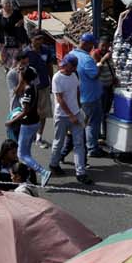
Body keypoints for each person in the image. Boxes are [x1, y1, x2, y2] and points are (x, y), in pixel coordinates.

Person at [49, 54, 91, 183]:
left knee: (79, 144)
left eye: (68, 65)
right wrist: (71, 115)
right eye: (65, 64)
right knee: (58, 142)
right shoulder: (57, 78)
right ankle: (54, 164)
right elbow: (59, 99)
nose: (64, 66)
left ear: (73, 67)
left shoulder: (74, 75)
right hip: (62, 116)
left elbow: (77, 91)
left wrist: (79, 108)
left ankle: (81, 172)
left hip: (76, 113)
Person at [9, 64, 51, 185]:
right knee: (26, 153)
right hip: (35, 122)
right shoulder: (33, 87)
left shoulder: (28, 90)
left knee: (21, 153)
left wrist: (12, 121)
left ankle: (42, 172)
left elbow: (25, 111)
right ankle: (27, 175)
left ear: (24, 77)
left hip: (28, 124)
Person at [70, 32, 105, 154]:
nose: (93, 48)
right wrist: (100, 65)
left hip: (78, 95)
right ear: (86, 44)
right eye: (92, 45)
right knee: (92, 122)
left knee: (83, 122)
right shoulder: (87, 59)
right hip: (90, 97)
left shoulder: (71, 54)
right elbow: (94, 75)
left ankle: (83, 144)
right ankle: (92, 148)